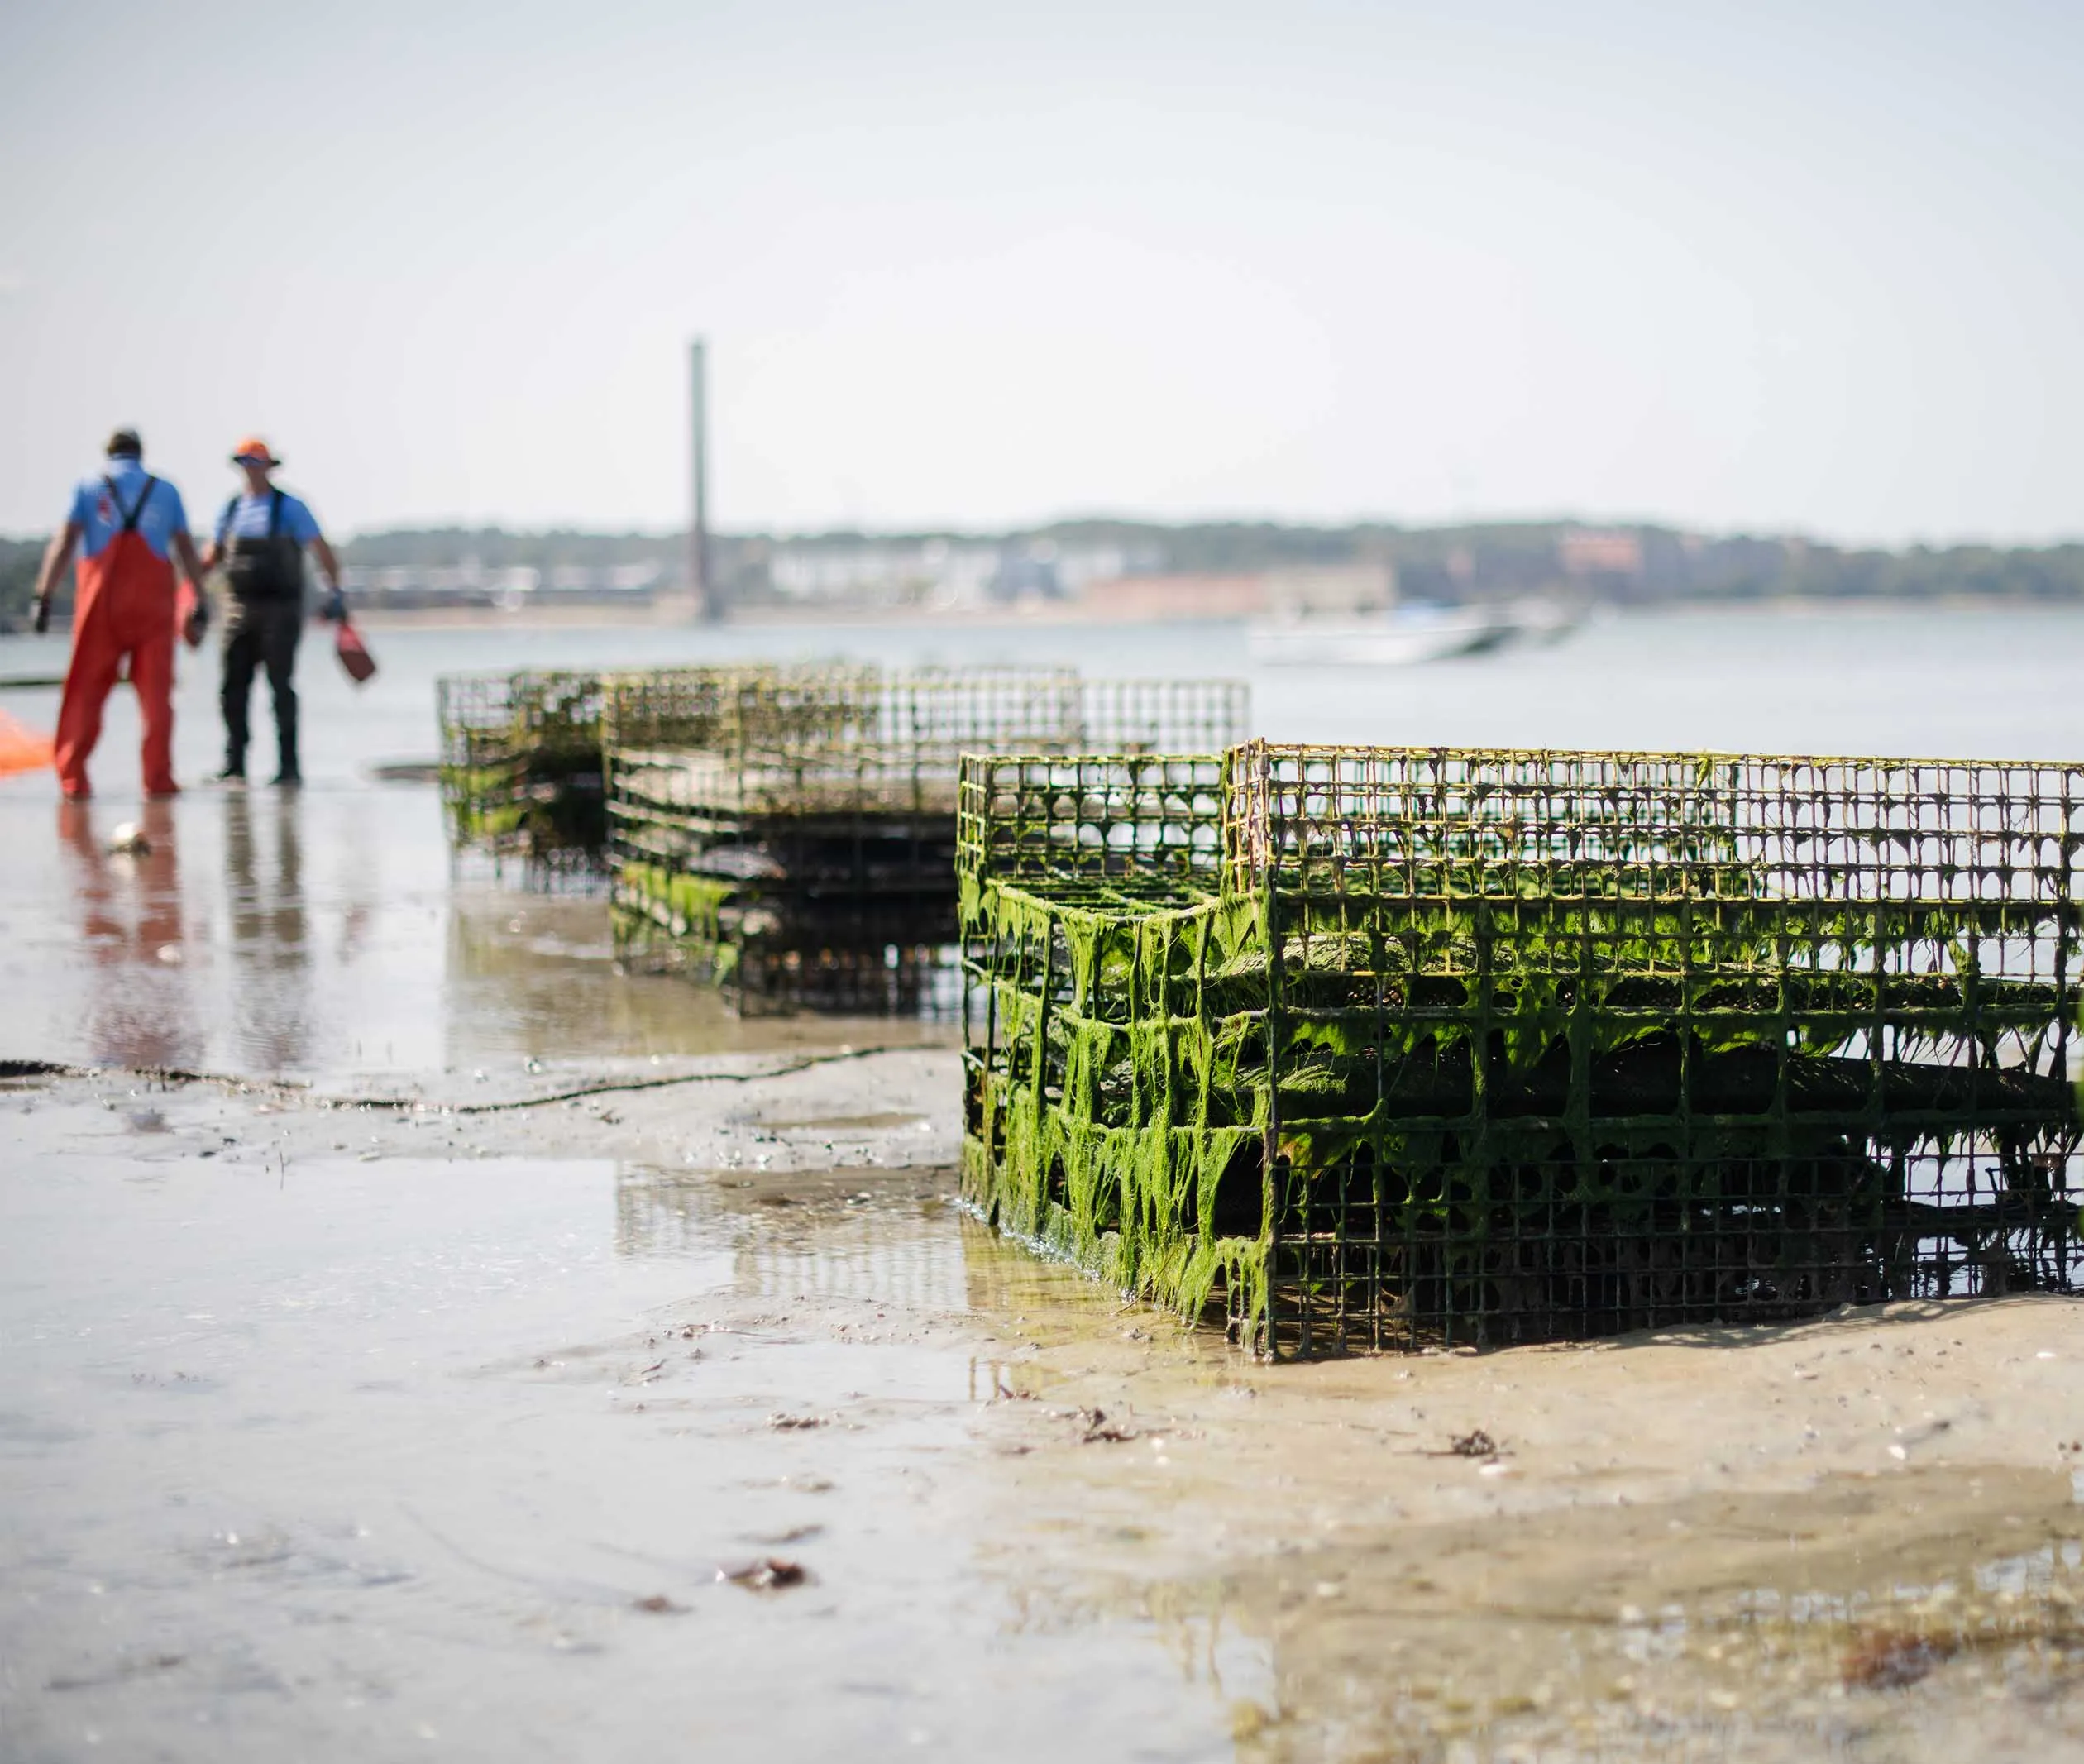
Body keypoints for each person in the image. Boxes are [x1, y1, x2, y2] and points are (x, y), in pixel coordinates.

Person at [31, 429, 211, 801]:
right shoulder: (166, 490)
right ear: (140, 454)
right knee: (157, 698)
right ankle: (159, 781)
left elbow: (64, 541)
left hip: (101, 607)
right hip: (153, 609)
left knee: (84, 692)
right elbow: (187, 551)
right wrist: (201, 599)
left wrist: (43, 596)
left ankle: (73, 779)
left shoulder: (87, 487)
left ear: (108, 453)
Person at [202, 437, 346, 786]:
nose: (251, 470)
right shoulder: (233, 508)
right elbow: (212, 555)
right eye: (245, 464)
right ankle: (234, 765)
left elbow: (321, 548)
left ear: (269, 466)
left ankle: (289, 768)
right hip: (237, 609)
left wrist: (336, 591)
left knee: (281, 686)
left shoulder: (291, 507)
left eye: (256, 463)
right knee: (232, 688)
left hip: (281, 610)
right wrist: (188, 592)